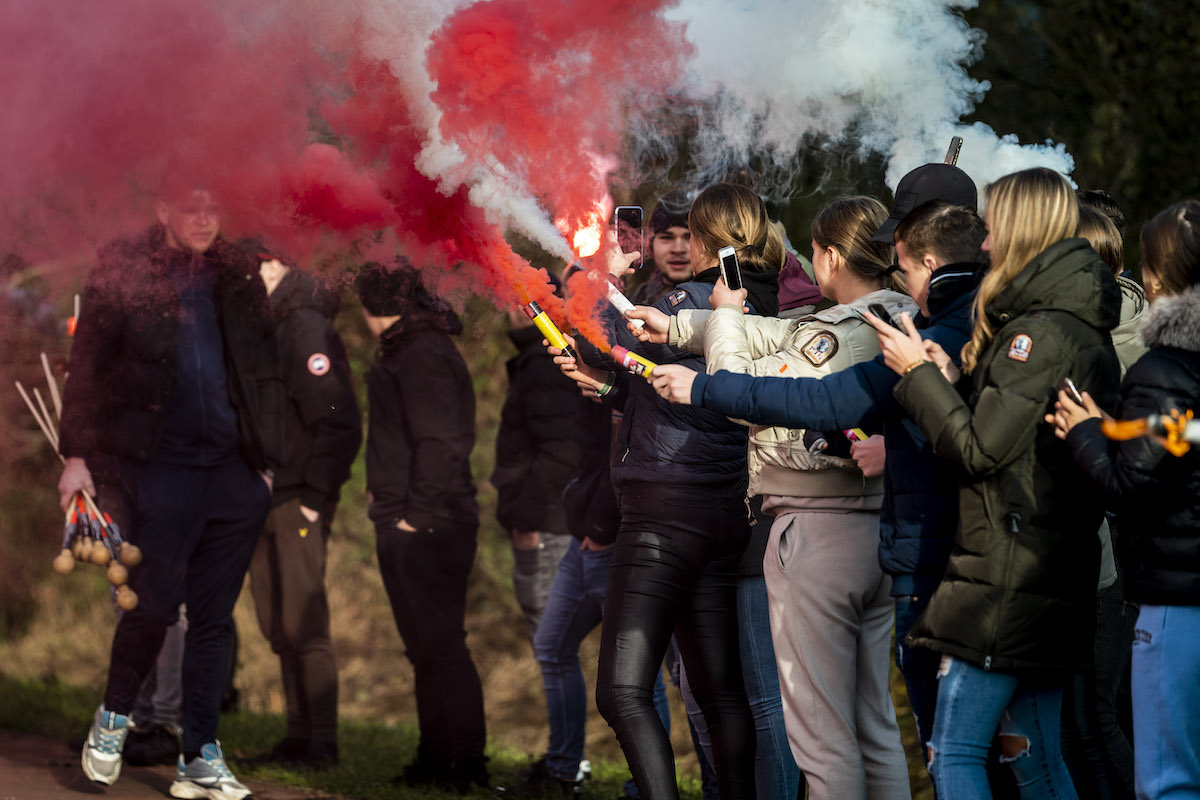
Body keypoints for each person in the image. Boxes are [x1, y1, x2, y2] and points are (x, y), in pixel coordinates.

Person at [647, 199, 987, 780]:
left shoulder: (841, 330)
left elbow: (744, 390)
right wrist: (680, 326)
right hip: (872, 530)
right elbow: (779, 333)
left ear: (829, 256)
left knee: (821, 738)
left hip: (818, 533)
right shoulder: (898, 312)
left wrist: (723, 317)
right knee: (873, 725)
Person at [867, 167, 1121, 799]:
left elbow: (981, 451)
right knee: (1035, 759)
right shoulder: (1064, 317)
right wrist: (953, 378)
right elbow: (1018, 433)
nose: (983, 245)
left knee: (953, 752)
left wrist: (914, 376)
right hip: (1042, 565)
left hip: (1009, 573)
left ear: (1024, 229)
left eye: (994, 227)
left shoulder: (1036, 331)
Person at [59, 185, 282, 800]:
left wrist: (267, 465)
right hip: (159, 468)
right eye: (192, 206)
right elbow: (86, 364)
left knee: (213, 620)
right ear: (163, 211)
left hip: (234, 477)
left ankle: (199, 757)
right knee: (153, 606)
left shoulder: (237, 272)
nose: (206, 218)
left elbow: (264, 368)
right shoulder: (124, 267)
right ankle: (113, 719)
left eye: (215, 205)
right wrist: (75, 458)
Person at [565, 181, 780, 800]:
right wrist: (609, 391)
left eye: (693, 233)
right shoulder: (755, 306)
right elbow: (670, 394)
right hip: (721, 509)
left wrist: (604, 275)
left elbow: (599, 341)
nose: (681, 245)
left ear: (710, 238)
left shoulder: (689, 301)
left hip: (664, 512)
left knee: (622, 691)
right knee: (717, 693)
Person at [1049, 198, 1200, 800]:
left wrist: (1086, 430)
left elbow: (1129, 486)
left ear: (1156, 275)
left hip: (1174, 595)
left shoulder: (1163, 368)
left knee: (1166, 781)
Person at [356, 261, 488, 793]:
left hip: (430, 523)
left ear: (375, 307)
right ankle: (436, 759)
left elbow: (440, 443)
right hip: (416, 517)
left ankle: (465, 764)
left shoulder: (421, 353)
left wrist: (414, 515)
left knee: (442, 644)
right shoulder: (414, 347)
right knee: (425, 647)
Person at [246, 255, 361, 768]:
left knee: (305, 622)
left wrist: (315, 499)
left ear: (272, 266)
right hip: (265, 498)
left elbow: (337, 420)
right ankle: (297, 736)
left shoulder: (304, 326)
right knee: (276, 624)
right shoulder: (270, 327)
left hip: (298, 499)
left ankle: (322, 742)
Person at [492, 282, 580, 644]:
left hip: (546, 526)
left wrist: (527, 517)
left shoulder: (544, 362)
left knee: (551, 647)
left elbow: (561, 450)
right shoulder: (538, 358)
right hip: (547, 521)